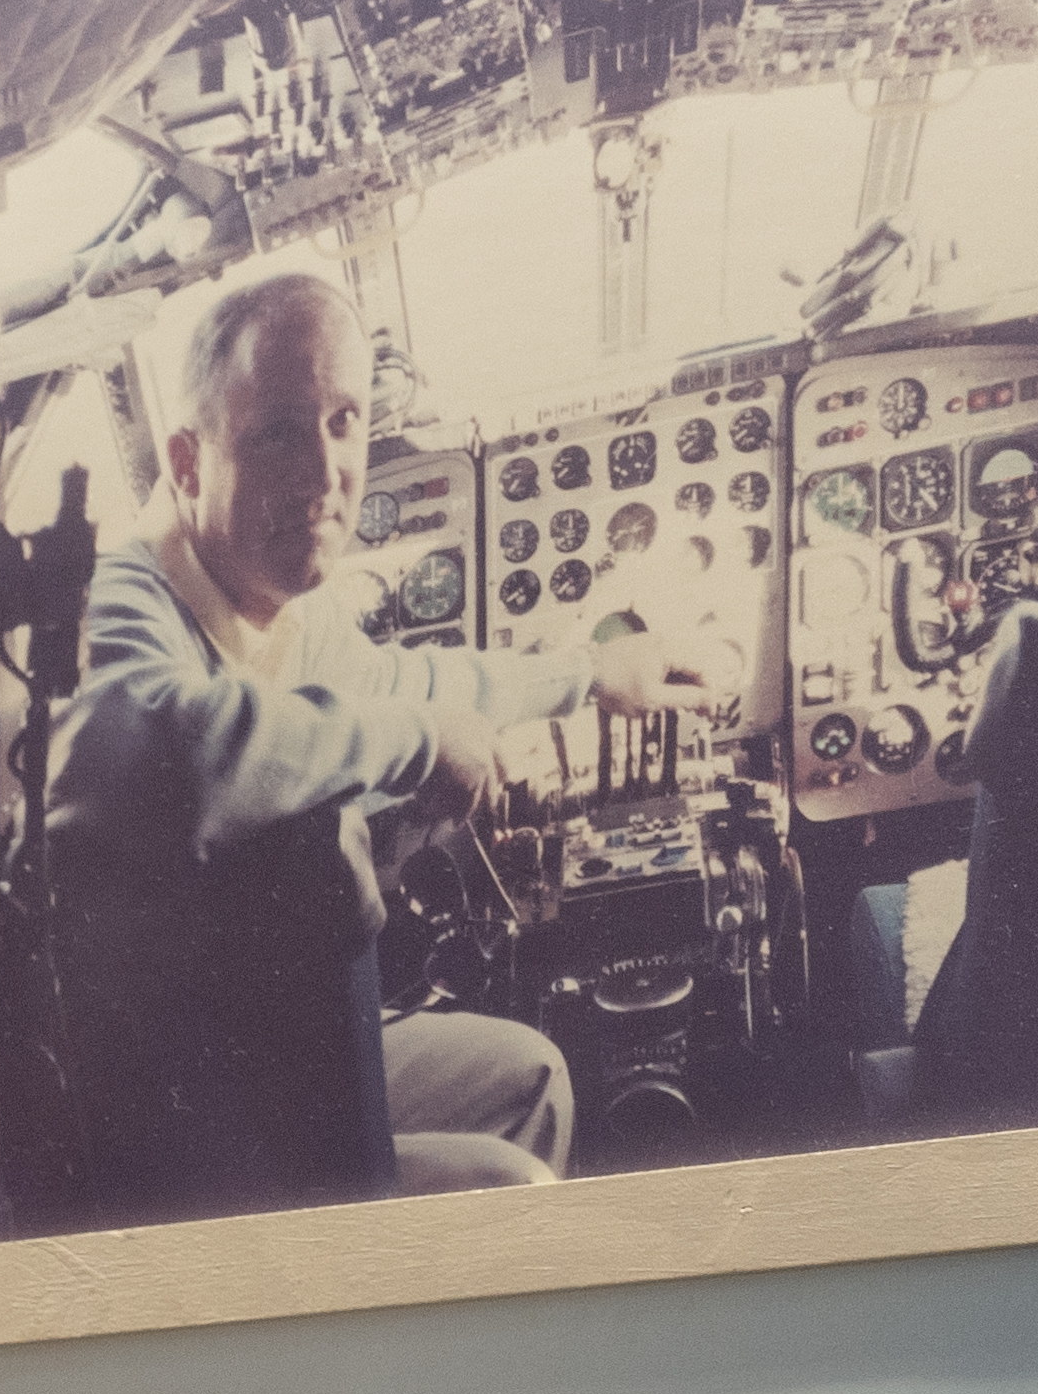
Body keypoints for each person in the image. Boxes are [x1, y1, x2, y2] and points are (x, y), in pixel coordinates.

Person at [35, 262, 714, 1228]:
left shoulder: (278, 611)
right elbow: (172, 757)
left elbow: (416, 685)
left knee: (531, 1079)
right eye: (278, 433)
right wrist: (412, 742)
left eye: (344, 421)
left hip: (268, 1046)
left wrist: (588, 676)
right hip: (173, 1123)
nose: (324, 473)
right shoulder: (122, 603)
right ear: (187, 463)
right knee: (511, 1196)